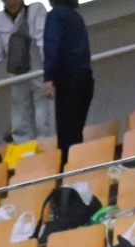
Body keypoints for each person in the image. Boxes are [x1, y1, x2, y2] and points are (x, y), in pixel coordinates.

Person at [0, 0, 50, 146]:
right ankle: (24, 150)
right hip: (17, 75)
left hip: (39, 71)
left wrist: (50, 70)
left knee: (43, 113)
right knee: (20, 114)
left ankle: (46, 147)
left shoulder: (36, 10)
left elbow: (42, 41)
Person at [42, 0, 94, 152]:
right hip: (85, 78)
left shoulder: (55, 15)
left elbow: (52, 46)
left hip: (68, 79)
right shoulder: (76, 16)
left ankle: (69, 166)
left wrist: (48, 77)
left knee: (67, 137)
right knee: (75, 132)